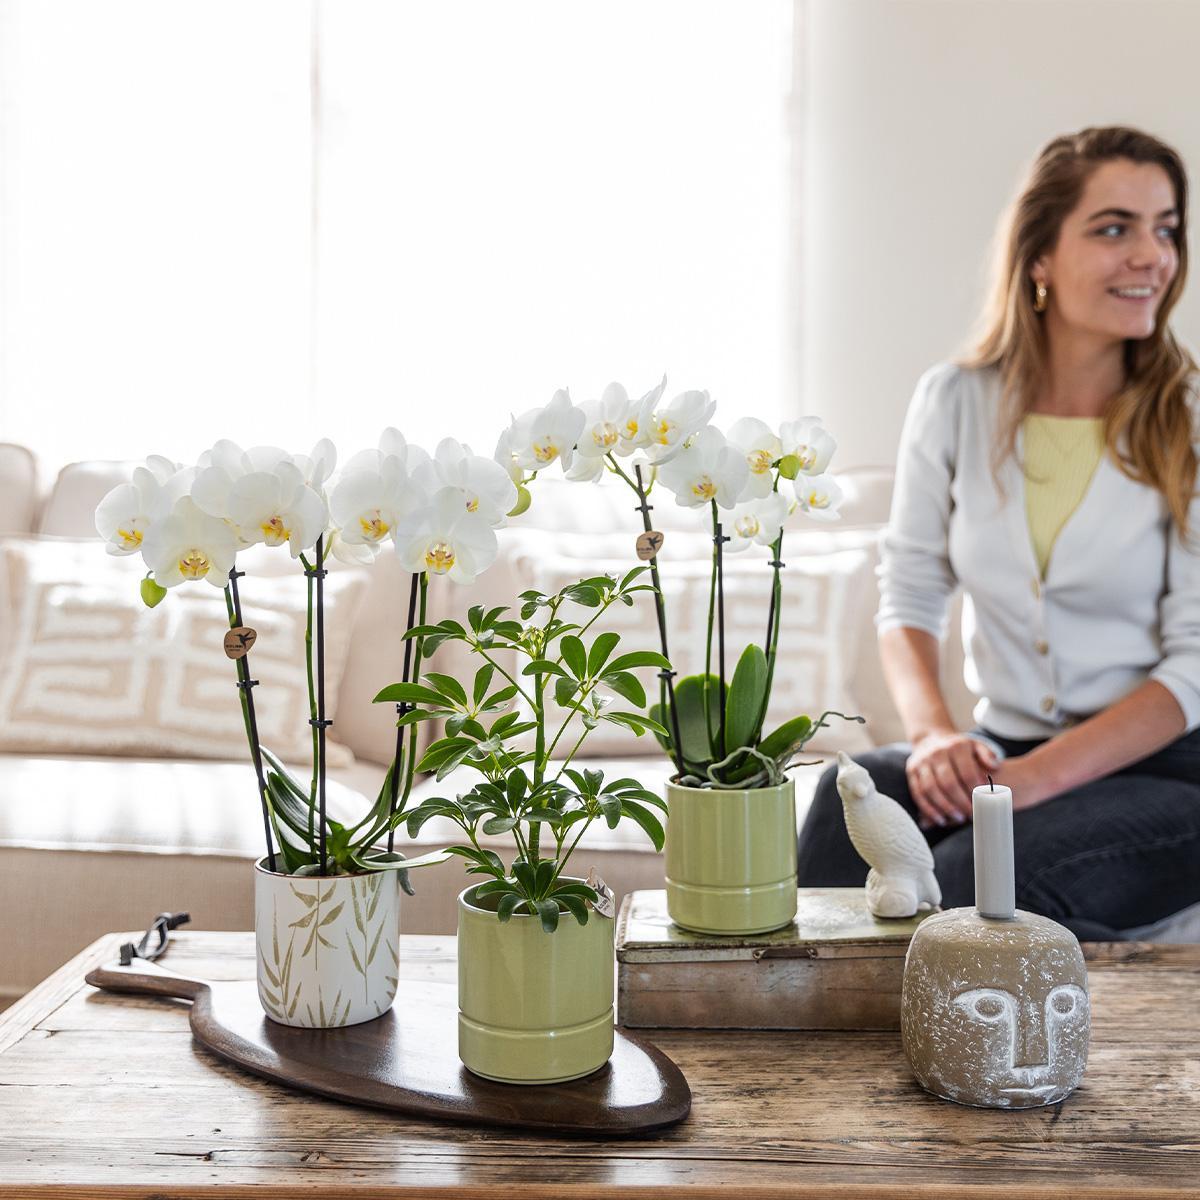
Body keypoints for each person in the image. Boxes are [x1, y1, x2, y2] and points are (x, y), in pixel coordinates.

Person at [796, 126, 1200, 940]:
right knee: (851, 802)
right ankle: (783, 1052)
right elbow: (909, 587)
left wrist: (1023, 783)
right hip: (998, 747)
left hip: (1169, 772)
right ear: (1040, 256)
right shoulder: (956, 399)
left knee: (955, 880)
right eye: (1114, 227)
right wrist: (936, 736)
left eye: (1166, 229)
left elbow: (1195, 661)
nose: (1152, 255)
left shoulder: (1186, 418)